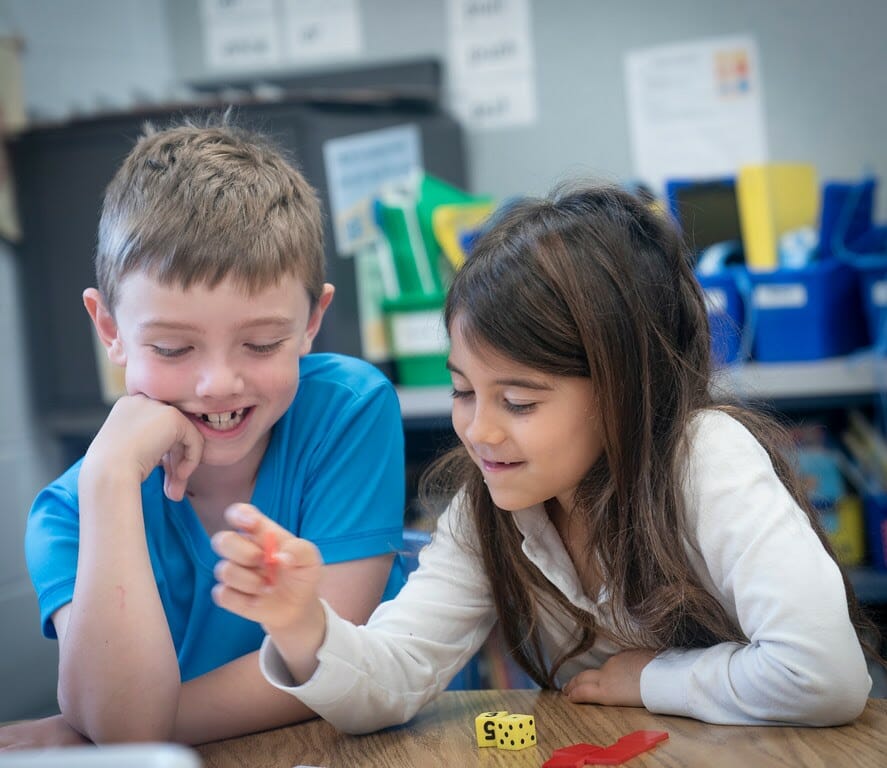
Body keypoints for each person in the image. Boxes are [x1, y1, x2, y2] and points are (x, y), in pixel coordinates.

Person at [211, 183, 881, 732]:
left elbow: (823, 675)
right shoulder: (489, 509)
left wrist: (650, 678)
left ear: (623, 388)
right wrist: (302, 624)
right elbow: (391, 681)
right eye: (462, 391)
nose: (479, 431)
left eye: (518, 402)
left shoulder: (705, 458)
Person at [1, 117, 405, 748]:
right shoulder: (69, 513)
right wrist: (109, 477)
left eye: (261, 343)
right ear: (109, 330)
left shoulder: (348, 410)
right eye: (172, 348)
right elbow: (127, 730)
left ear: (311, 321)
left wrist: (105, 729)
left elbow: (331, 664)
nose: (218, 384)